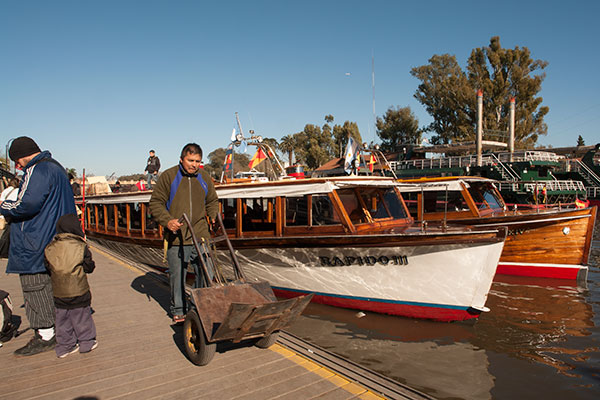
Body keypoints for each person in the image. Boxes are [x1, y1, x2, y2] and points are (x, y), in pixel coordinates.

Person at [0, 136, 76, 356]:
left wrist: (4, 206)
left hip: (36, 239)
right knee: (50, 286)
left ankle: (45, 335)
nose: (18, 166)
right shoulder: (57, 168)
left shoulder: (37, 170)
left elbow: (26, 204)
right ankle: (59, 329)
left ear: (22, 156)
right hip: (55, 238)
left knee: (34, 286)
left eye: (17, 161)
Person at [149, 143, 218, 323]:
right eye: (190, 160)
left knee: (206, 273)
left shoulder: (204, 177)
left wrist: (212, 216)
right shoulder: (169, 176)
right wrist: (167, 221)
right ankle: (179, 309)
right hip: (177, 236)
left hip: (201, 235)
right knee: (177, 275)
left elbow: (212, 200)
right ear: (181, 159)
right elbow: (155, 203)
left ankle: (198, 306)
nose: (194, 164)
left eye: (197, 161)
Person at [44, 214, 97, 358]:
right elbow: (89, 267)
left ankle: (65, 347)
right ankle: (86, 342)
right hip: (79, 290)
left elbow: (47, 267)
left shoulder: (49, 248)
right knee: (81, 316)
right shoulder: (81, 246)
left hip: (59, 292)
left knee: (62, 319)